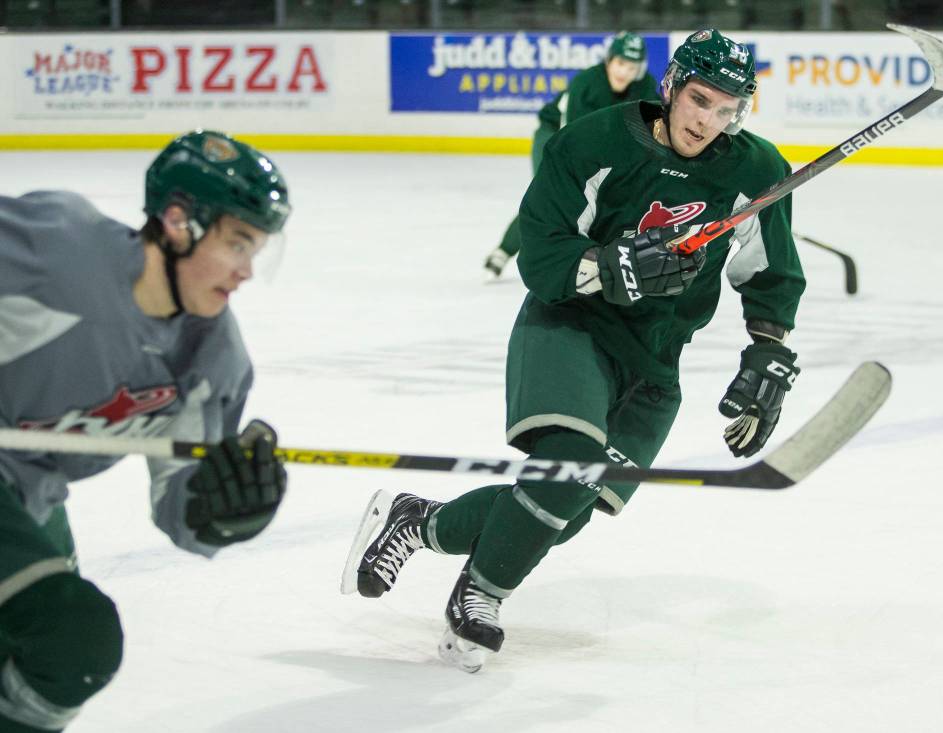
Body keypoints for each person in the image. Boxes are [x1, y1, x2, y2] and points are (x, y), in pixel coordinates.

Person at [345, 28, 805, 673]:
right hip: (572, 326)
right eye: (701, 100)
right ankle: (480, 596)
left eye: (728, 109)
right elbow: (540, 253)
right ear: (672, 88)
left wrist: (767, 354)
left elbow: (770, 274)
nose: (710, 121)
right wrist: (613, 264)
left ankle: (420, 523)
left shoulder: (755, 171)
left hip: (657, 359)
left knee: (575, 505)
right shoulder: (594, 141)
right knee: (572, 463)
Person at [0, 129, 291, 730]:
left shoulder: (210, 359)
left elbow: (181, 503)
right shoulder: (55, 251)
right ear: (179, 221)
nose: (245, 271)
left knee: (70, 650)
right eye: (237, 243)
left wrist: (224, 508)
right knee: (69, 633)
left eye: (256, 251)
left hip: (25, 499)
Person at [483, 31, 660, 280]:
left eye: (631, 67)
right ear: (609, 60)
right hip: (555, 136)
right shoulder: (585, 84)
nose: (623, 73)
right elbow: (573, 139)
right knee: (554, 197)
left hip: (603, 145)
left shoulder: (644, 87)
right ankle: (505, 251)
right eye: (620, 64)